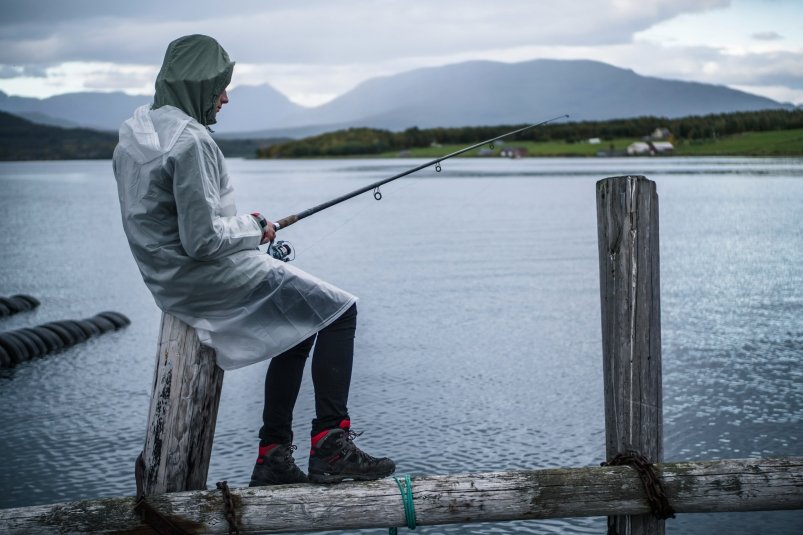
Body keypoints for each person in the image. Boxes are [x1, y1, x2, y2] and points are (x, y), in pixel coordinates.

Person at [112, 34, 395, 486]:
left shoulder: (135, 132)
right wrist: (255, 224)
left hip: (165, 279)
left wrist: (244, 229)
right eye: (220, 86)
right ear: (198, 85)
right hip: (203, 275)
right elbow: (202, 240)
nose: (225, 97)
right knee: (341, 310)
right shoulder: (191, 143)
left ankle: (273, 458)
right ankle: (330, 444)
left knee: (300, 323)